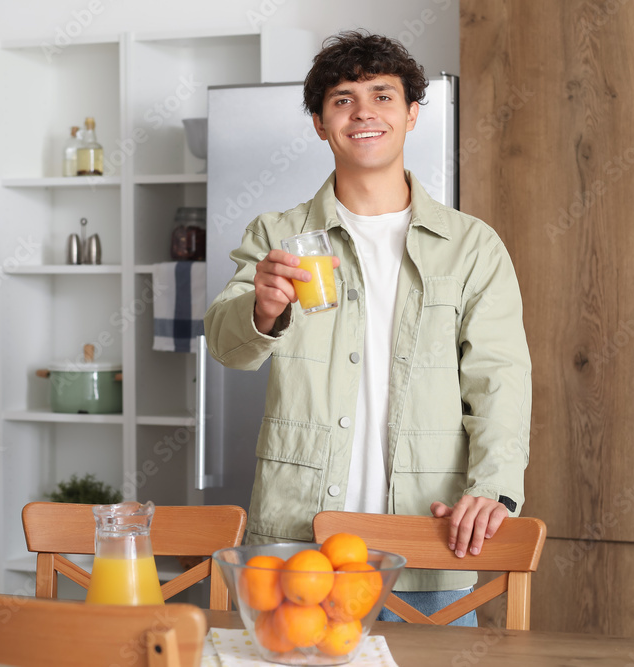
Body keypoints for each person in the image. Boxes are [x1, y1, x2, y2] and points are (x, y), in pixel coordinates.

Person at [203, 31, 532, 626]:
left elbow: (500, 378)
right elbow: (227, 348)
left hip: (428, 539)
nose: (363, 113)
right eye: (342, 99)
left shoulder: (471, 247)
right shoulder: (278, 236)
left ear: (411, 115)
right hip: (299, 541)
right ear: (320, 124)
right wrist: (262, 310)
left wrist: (495, 486)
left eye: (382, 95)